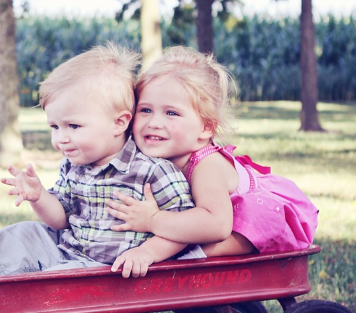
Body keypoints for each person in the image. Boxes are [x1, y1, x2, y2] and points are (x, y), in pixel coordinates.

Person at [0, 43, 197, 280]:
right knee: (24, 232)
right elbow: (60, 219)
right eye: (54, 127)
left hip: (104, 269)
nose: (61, 139)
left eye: (73, 127)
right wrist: (39, 197)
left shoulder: (153, 171)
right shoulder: (74, 164)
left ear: (119, 122)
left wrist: (148, 252)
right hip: (67, 249)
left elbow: (184, 228)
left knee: (50, 280)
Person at [107, 46, 318, 257]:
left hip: (256, 220)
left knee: (228, 233)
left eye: (171, 113)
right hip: (214, 217)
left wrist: (153, 221)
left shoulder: (206, 166)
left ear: (206, 127)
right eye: (145, 110)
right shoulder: (152, 155)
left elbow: (216, 225)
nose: (154, 122)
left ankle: (193, 256)